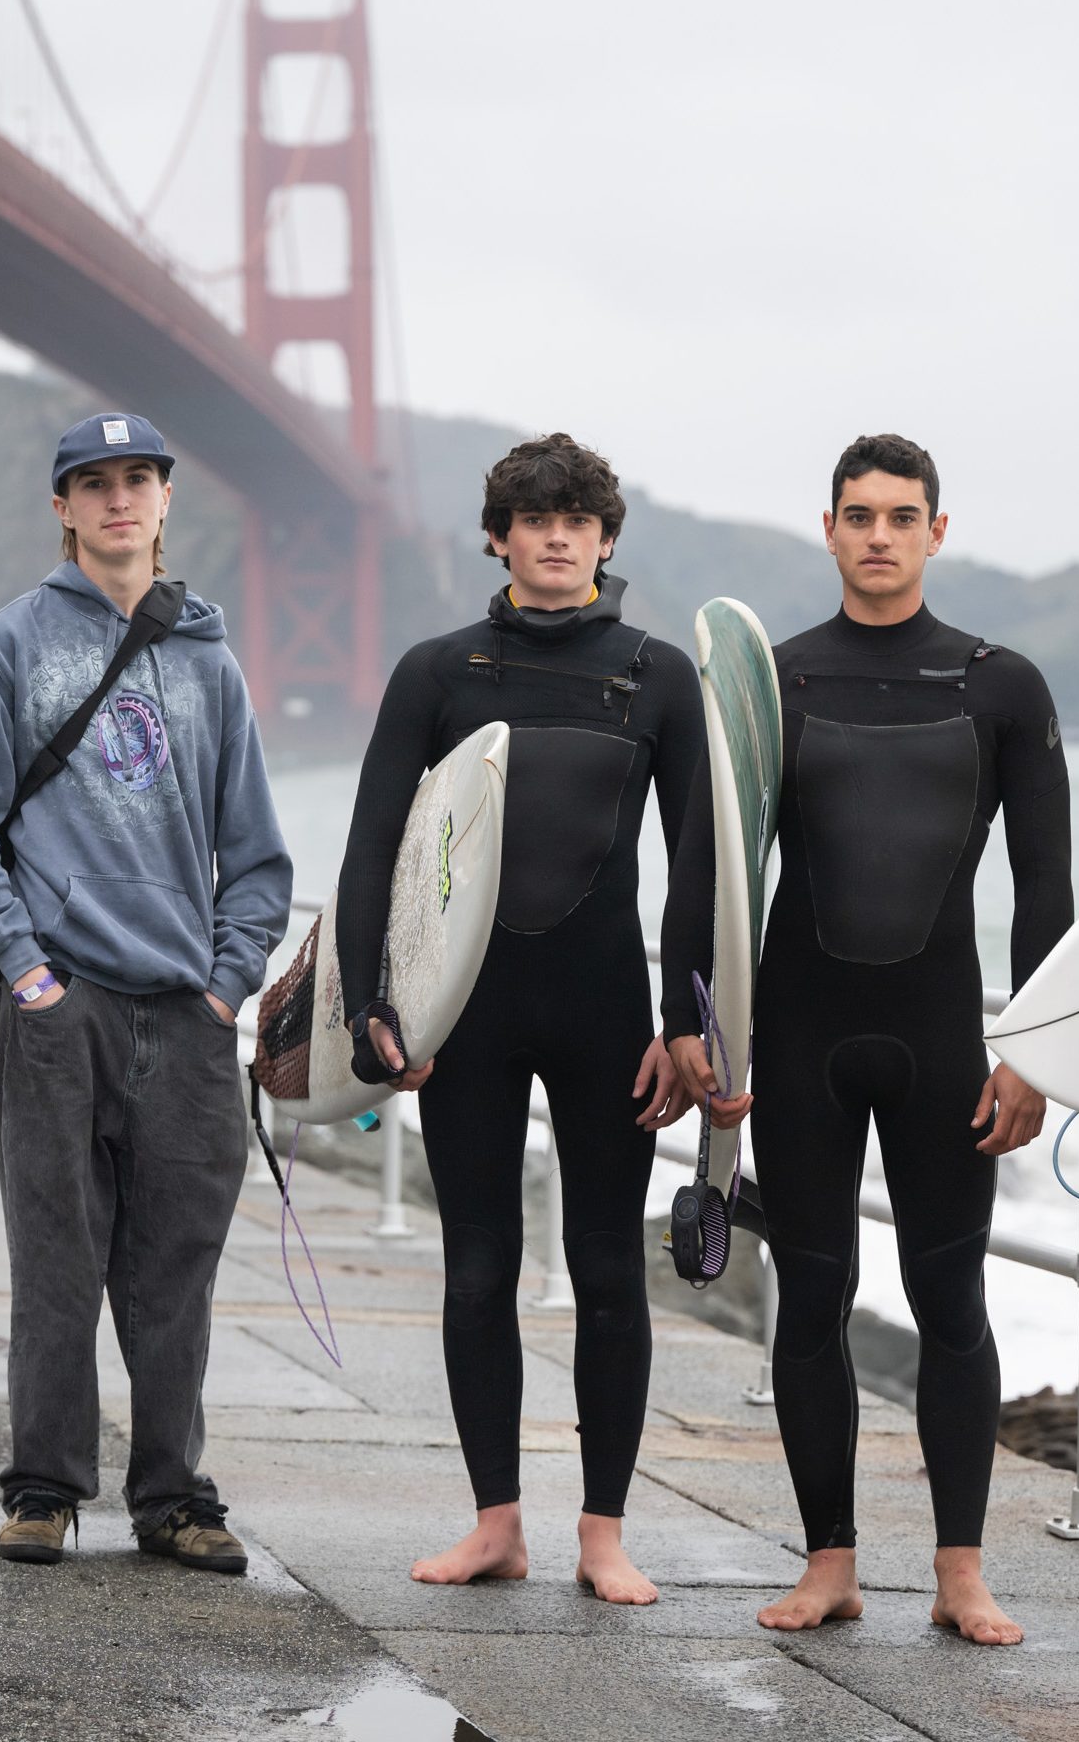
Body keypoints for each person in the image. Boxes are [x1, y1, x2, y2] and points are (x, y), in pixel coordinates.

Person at [660, 433, 1072, 1646]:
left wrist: (1035, 1044)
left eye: (902, 515)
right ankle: (829, 1558)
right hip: (802, 1035)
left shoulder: (1001, 685)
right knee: (813, 1296)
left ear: (937, 531)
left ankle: (959, 1570)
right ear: (827, 529)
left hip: (944, 1033)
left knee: (950, 1294)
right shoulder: (767, 680)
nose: (879, 534)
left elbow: (1044, 889)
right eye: (858, 514)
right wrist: (690, 1026)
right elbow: (707, 868)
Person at [0, 412, 292, 1572]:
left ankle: (174, 1496)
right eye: (94, 482)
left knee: (176, 1263)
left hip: (183, 1011)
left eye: (138, 478)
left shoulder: (211, 662)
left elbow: (259, 856)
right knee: (56, 1254)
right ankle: (43, 1486)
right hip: (61, 1000)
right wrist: (27, 970)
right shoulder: (13, 644)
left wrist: (229, 985)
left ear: (168, 499)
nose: (118, 498)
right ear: (63, 507)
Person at [335, 433, 703, 1606]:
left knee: (607, 1267)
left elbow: (700, 865)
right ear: (497, 535)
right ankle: (496, 1520)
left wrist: (686, 1019)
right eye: (533, 516)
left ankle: (603, 1529)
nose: (556, 534)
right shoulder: (441, 671)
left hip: (605, 1013)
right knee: (477, 1263)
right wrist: (372, 1002)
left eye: (578, 518)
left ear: (605, 538)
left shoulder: (656, 674)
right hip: (468, 1012)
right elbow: (371, 845)